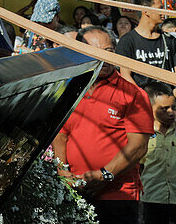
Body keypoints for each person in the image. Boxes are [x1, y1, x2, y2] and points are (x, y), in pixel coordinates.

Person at [53, 27, 153, 223]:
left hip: (117, 196)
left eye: (109, 52)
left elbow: (138, 146)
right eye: (97, 53)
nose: (106, 59)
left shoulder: (133, 94)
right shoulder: (67, 90)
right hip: (74, 192)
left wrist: (105, 175)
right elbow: (60, 135)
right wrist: (62, 172)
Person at [117, 0, 176, 100]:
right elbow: (125, 76)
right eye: (160, 8)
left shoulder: (168, 39)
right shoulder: (127, 41)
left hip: (168, 102)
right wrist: (143, 100)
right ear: (146, 11)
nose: (164, 12)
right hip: (141, 102)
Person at [141, 82, 176, 224]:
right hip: (153, 198)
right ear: (150, 108)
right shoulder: (143, 135)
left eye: (173, 107)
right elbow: (138, 167)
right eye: (164, 109)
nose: (171, 112)